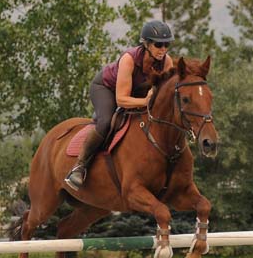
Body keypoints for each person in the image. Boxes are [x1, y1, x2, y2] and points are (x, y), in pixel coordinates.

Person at [64, 20, 175, 191]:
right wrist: (146, 102)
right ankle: (79, 167)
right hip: (106, 88)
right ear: (146, 44)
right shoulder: (129, 60)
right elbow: (122, 99)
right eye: (158, 44)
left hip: (135, 93)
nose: (163, 49)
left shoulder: (166, 62)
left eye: (167, 44)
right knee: (106, 122)